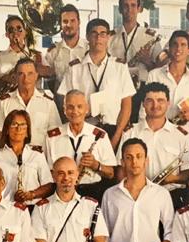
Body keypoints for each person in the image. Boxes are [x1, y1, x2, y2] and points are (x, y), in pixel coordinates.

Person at [58, 18, 136, 147]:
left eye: (103, 33)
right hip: (85, 128)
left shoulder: (119, 67)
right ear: (87, 37)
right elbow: (64, 102)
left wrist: (117, 137)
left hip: (113, 129)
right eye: (94, 33)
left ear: (108, 37)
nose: (98, 37)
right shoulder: (75, 69)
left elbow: (126, 105)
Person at [118, 82, 189, 206]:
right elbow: (120, 170)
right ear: (143, 104)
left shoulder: (180, 135)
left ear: (168, 103)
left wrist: (174, 179)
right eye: (150, 101)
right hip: (136, 196)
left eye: (160, 100)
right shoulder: (130, 133)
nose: (155, 105)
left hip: (171, 196)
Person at [44, 90, 118, 201]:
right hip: (60, 192)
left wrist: (96, 165)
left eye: (79, 106)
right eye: (70, 107)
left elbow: (111, 173)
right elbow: (47, 173)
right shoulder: (52, 137)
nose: (75, 111)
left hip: (91, 192)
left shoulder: (100, 135)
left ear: (87, 109)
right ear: (64, 110)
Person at [0, 58, 62, 148]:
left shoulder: (48, 103)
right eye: (21, 74)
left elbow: (55, 133)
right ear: (15, 77)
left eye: (30, 74)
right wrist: (9, 153)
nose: (26, 78)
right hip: (12, 156)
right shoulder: (4, 102)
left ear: (36, 76)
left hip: (40, 156)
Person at [0, 109, 54, 205]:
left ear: (27, 131)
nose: (18, 129)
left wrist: (31, 194)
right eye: (14, 124)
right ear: (7, 130)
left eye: (23, 125)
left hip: (32, 209)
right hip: (5, 209)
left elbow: (49, 186)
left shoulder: (37, 155)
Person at [144, 31, 189, 128]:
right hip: (157, 135)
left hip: (186, 137)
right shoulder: (154, 75)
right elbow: (143, 108)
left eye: (183, 45)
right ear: (169, 48)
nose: (178, 48)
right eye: (175, 44)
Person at [108, 0, 163, 85]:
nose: (129, 9)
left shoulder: (150, 38)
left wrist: (147, 61)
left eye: (133, 5)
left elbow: (161, 71)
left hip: (142, 88)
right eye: (125, 6)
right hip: (116, 85)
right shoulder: (110, 37)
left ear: (139, 9)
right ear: (120, 9)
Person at [0, 15, 48, 95]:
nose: (15, 32)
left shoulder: (37, 56)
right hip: (9, 102)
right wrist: (5, 79)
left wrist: (41, 70)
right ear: (7, 35)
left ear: (25, 32)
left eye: (19, 29)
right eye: (11, 30)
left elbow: (51, 76)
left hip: (35, 102)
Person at [43, 4, 88, 97]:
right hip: (61, 104)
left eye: (72, 21)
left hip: (85, 102)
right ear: (60, 24)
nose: (69, 25)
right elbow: (48, 79)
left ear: (79, 22)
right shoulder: (53, 51)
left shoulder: (89, 48)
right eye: (65, 21)